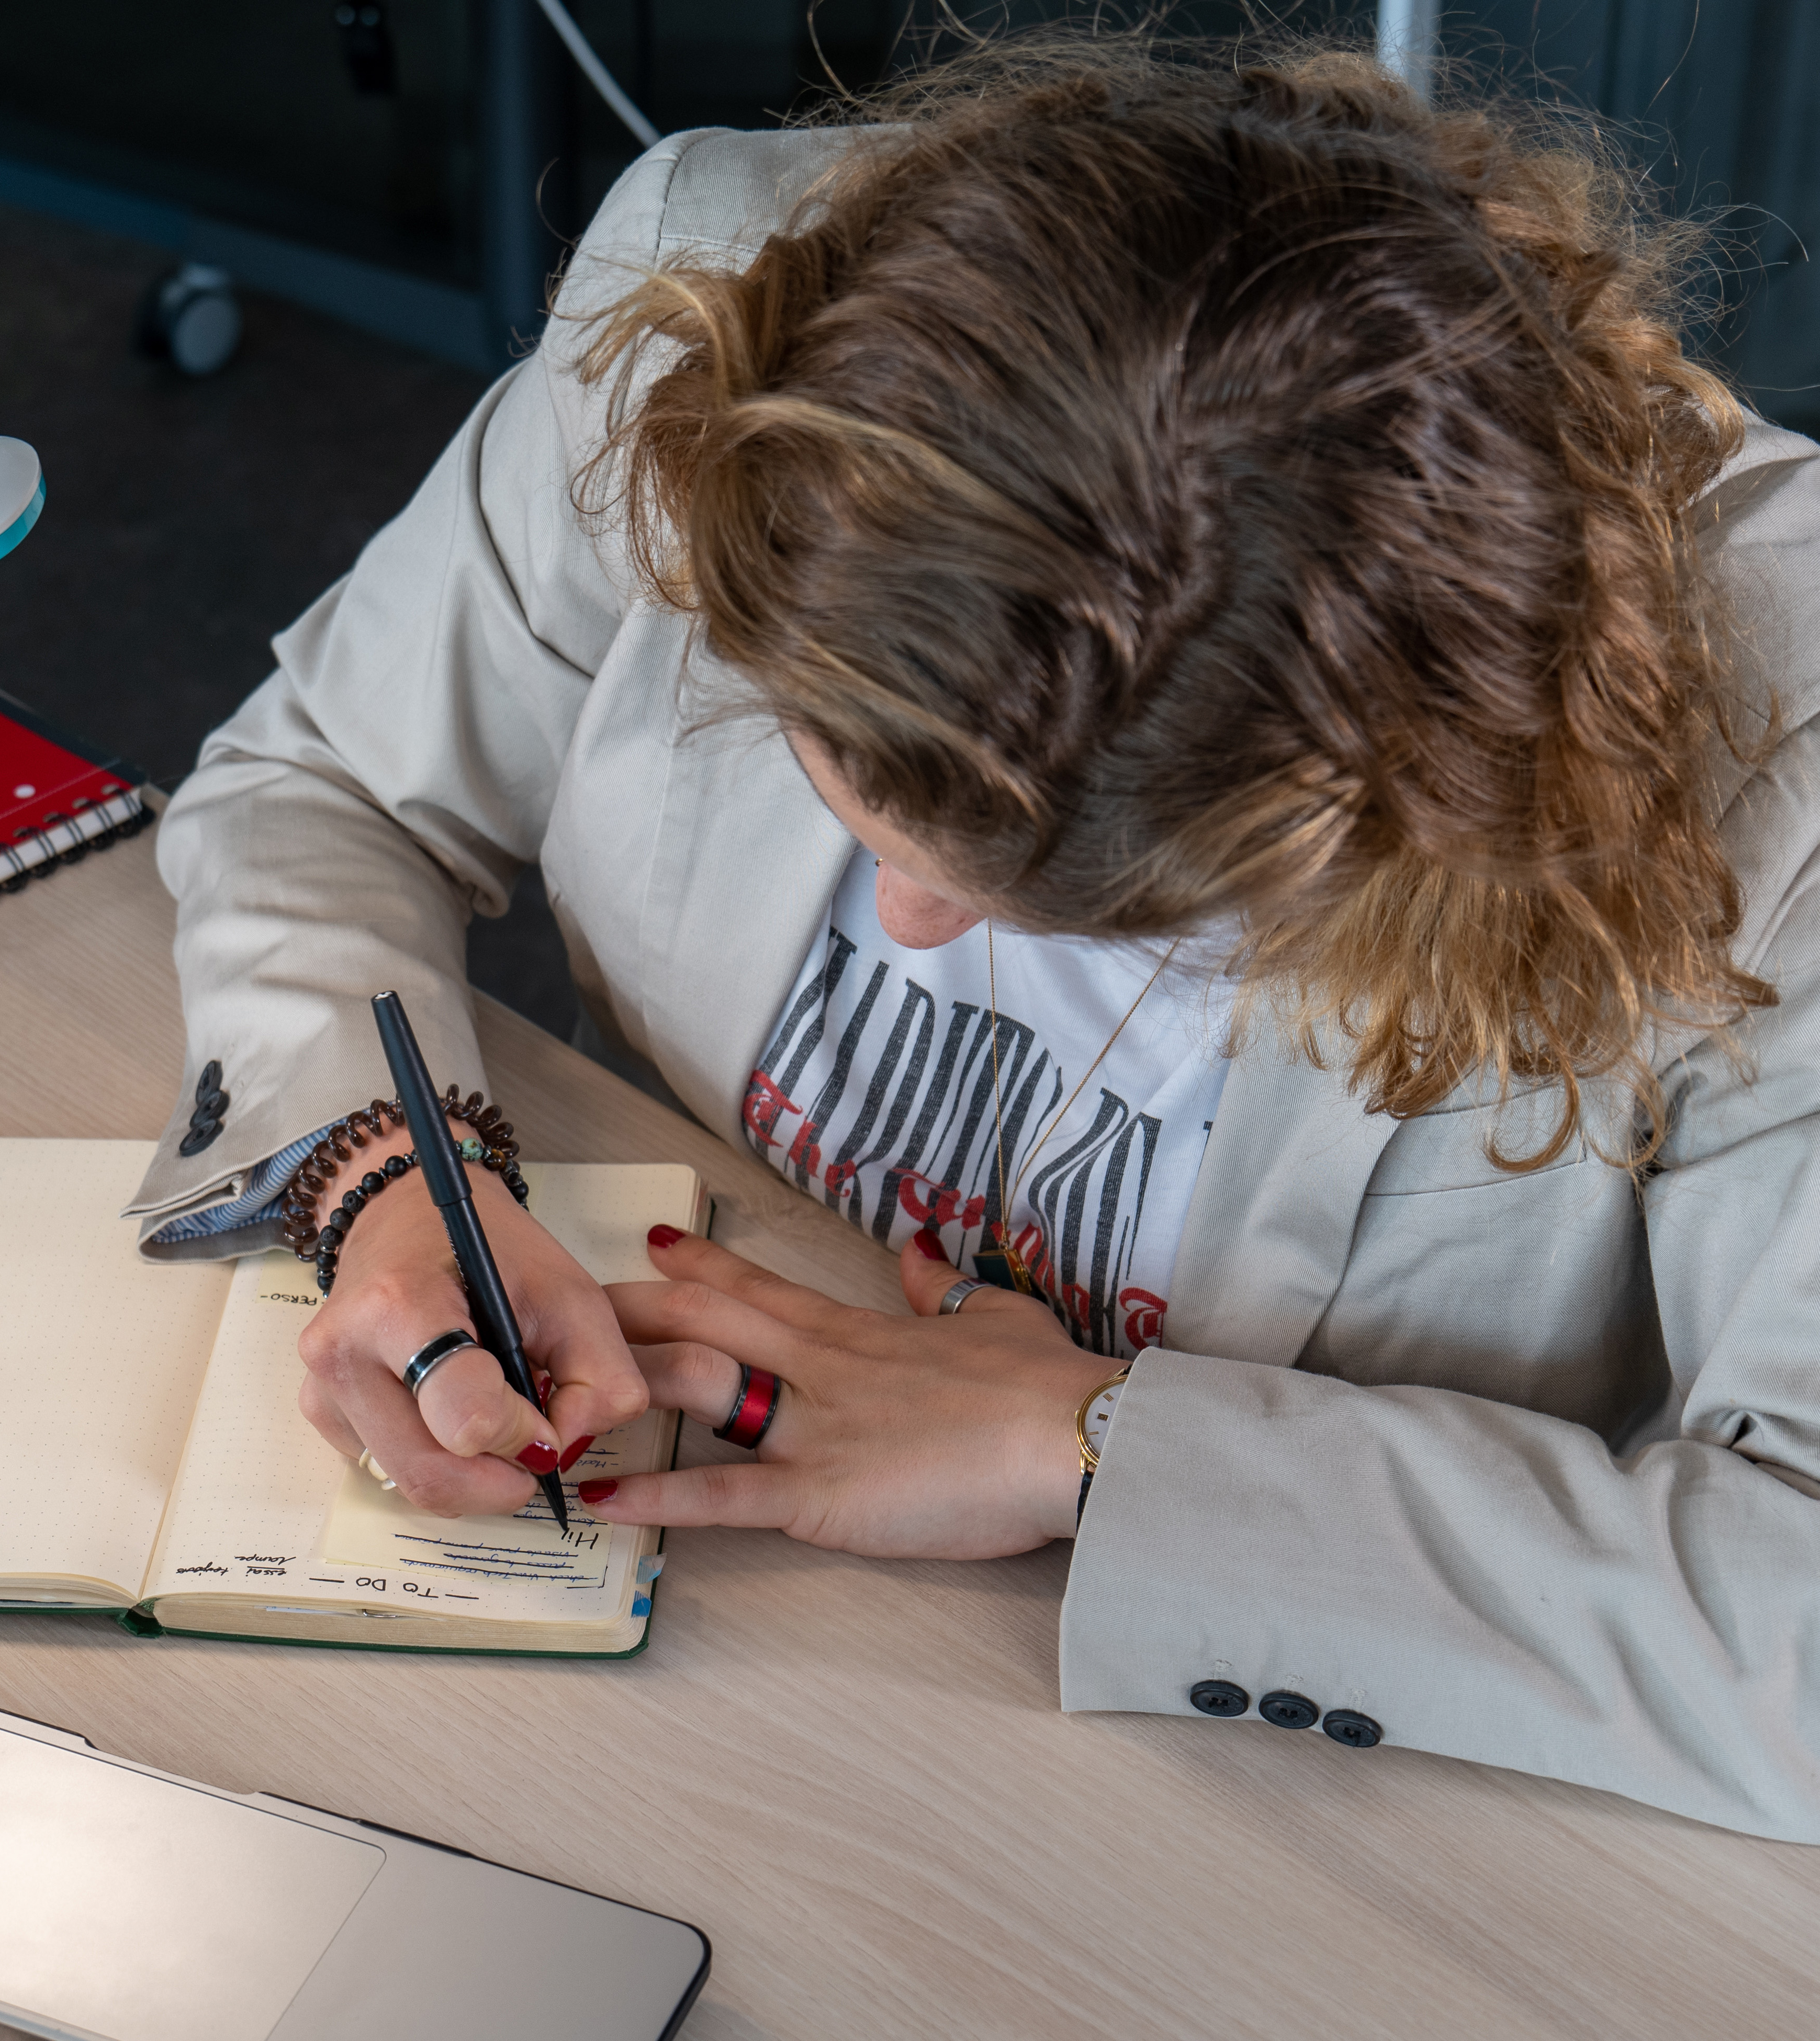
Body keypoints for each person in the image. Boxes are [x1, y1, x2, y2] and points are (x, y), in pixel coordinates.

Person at [122, 35, 1820, 1841]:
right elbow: (327, 784)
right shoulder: (748, 315)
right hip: (723, 1642)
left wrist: (1093, 1447)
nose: (912, 929)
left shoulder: (1782, 760)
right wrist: (387, 1182)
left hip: (1302, 1774)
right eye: (833, 776)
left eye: (1102, 912)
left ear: (1377, 808)